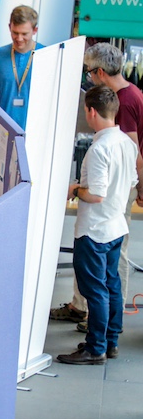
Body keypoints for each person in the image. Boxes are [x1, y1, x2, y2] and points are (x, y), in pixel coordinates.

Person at [52, 43, 143, 327]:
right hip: (114, 188)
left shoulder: (124, 101)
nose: (88, 77)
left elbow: (132, 150)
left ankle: (101, 318)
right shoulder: (127, 95)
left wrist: (137, 189)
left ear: (100, 72)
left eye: (89, 72)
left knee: (113, 257)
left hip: (114, 193)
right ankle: (84, 306)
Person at [57, 86, 138, 365]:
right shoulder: (128, 143)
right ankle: (110, 341)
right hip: (117, 226)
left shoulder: (99, 148)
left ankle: (95, 348)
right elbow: (131, 182)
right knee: (112, 285)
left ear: (91, 111)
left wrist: (75, 189)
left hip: (95, 230)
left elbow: (97, 193)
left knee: (95, 290)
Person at [0, 5, 42, 130]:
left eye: (24, 34)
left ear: (35, 30)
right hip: (4, 131)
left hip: (37, 131)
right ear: (9, 27)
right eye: (15, 33)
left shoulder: (46, 56)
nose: (19, 38)